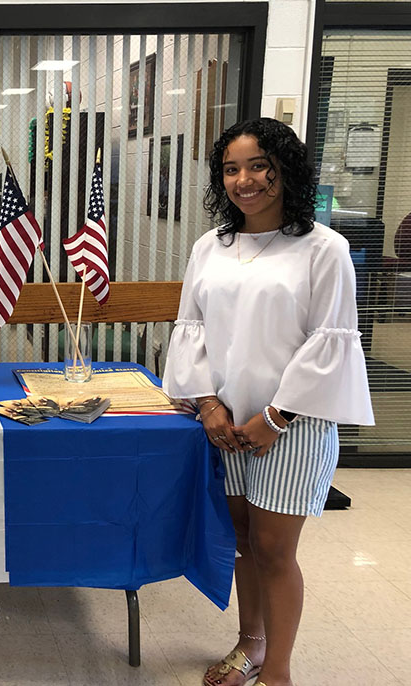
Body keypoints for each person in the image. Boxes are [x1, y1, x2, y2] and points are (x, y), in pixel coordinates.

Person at [162, 117, 373, 686]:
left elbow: (327, 344)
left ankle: (277, 671)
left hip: (291, 426)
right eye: (231, 169)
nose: (245, 179)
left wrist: (276, 418)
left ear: (286, 170)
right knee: (243, 545)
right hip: (226, 425)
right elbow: (193, 329)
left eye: (259, 166)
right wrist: (208, 405)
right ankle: (249, 645)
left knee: (276, 550)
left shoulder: (324, 249)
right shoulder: (212, 246)